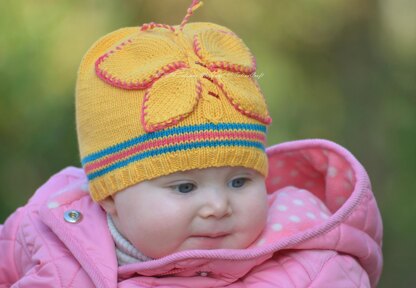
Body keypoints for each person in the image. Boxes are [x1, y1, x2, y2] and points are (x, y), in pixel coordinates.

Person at [0, 1, 383, 287]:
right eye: (184, 187)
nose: (218, 206)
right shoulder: (48, 238)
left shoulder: (311, 266)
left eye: (239, 181)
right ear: (110, 196)